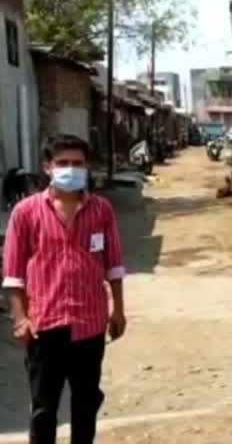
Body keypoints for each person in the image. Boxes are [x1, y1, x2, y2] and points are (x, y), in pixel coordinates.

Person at [2, 134, 127, 444]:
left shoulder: (101, 211)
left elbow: (114, 265)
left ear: (87, 168)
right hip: (44, 325)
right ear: (47, 167)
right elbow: (14, 274)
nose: (70, 169)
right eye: (62, 163)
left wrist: (119, 311)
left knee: (86, 403)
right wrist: (20, 319)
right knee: (44, 408)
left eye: (77, 164)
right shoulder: (26, 213)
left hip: (90, 323)